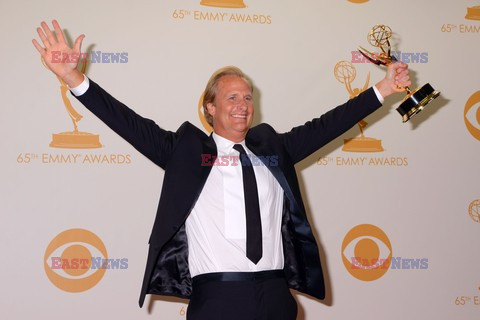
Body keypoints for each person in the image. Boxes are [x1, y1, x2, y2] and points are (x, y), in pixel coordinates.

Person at [33, 20, 411, 320]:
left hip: (278, 296)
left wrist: (383, 88)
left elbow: (329, 124)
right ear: (210, 108)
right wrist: (72, 78)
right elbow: (128, 122)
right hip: (218, 299)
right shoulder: (185, 152)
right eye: (232, 97)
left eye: (248, 97)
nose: (243, 105)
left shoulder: (274, 149)